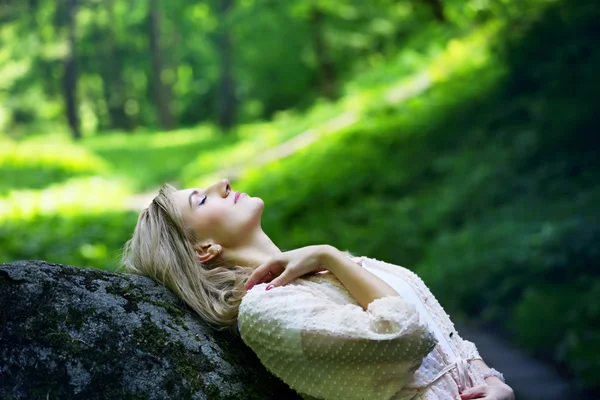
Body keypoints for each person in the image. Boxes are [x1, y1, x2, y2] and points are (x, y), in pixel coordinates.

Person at [122, 179, 515, 400]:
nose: (223, 181)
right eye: (201, 198)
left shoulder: (350, 267)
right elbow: (404, 334)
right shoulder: (266, 312)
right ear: (204, 249)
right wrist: (328, 255)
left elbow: (448, 338)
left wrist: (495, 383)